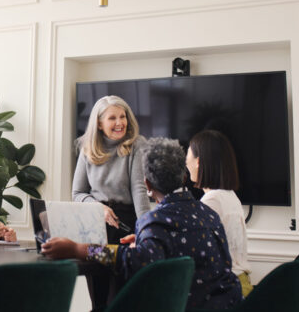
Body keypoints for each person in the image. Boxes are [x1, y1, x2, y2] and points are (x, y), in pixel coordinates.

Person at [43, 137, 243, 310]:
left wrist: (79, 249)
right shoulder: (209, 214)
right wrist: (145, 239)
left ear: (147, 184)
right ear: (183, 177)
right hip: (229, 304)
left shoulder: (155, 220)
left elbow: (134, 261)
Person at [72, 95, 150, 243]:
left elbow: (139, 189)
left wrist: (147, 231)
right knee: (91, 263)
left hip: (126, 223)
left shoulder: (137, 144)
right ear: (99, 124)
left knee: (121, 263)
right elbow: (77, 193)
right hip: (94, 222)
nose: (120, 123)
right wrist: (99, 208)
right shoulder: (87, 148)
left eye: (123, 116)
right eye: (112, 118)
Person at [187, 129, 253, 297]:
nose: (186, 163)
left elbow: (196, 250)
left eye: (188, 156)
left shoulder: (212, 201)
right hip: (240, 283)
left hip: (225, 290)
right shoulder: (230, 196)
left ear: (198, 162)